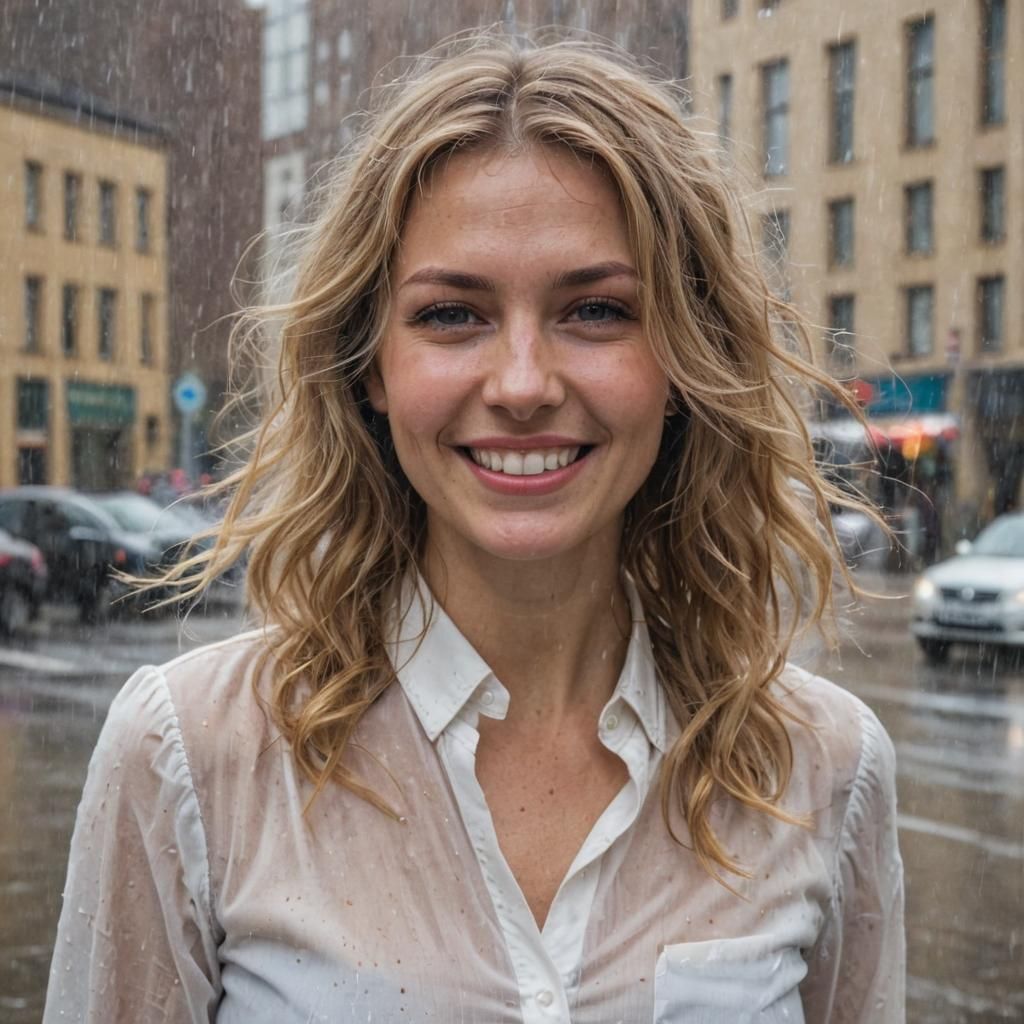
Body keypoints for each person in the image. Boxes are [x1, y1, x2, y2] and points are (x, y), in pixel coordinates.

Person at [44, 32, 903, 1023]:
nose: (523, 384)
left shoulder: (824, 767)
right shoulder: (191, 755)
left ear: (683, 359)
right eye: (453, 315)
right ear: (370, 365)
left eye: (595, 310)